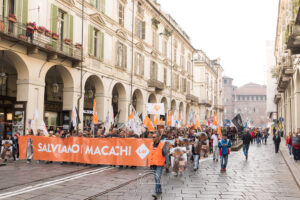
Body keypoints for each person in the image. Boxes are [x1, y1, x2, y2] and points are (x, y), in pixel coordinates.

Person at [148, 132, 170, 199]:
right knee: (156, 178)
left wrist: (168, 163)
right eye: (152, 137)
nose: (152, 138)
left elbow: (166, 154)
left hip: (159, 164)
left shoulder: (162, 145)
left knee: (157, 178)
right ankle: (160, 189)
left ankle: (156, 192)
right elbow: (150, 154)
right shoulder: (151, 144)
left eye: (154, 137)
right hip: (153, 164)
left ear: (158, 138)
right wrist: (148, 162)